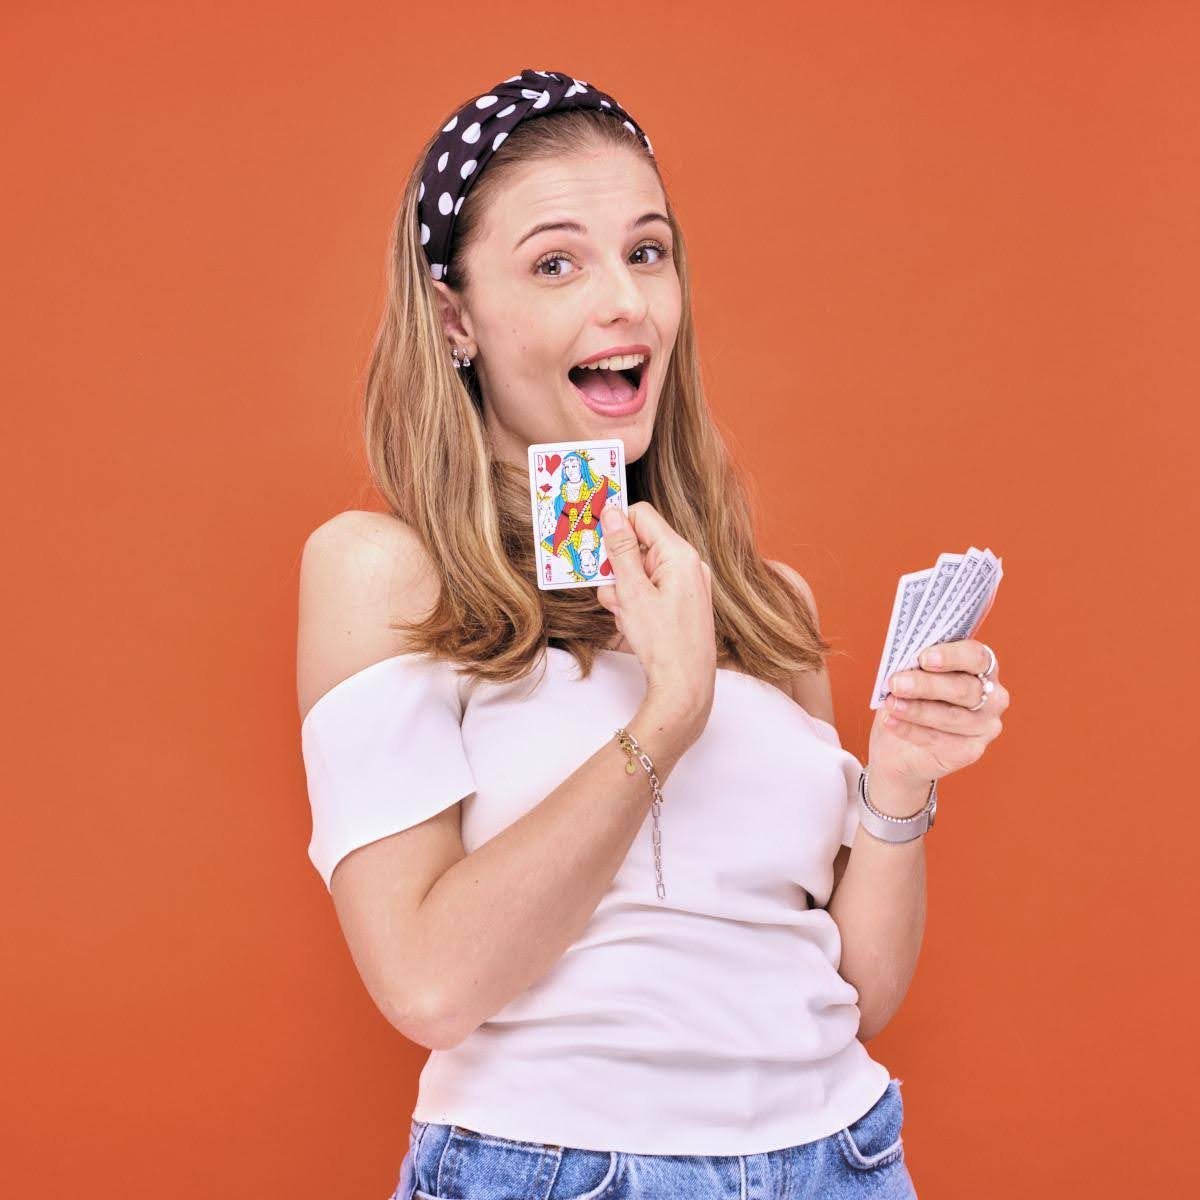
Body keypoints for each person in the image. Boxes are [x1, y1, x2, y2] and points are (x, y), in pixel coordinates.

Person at [296, 68, 1009, 1200]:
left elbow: (856, 993)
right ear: (454, 317)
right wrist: (666, 716)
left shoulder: (766, 599)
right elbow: (429, 984)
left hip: (844, 1159)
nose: (626, 300)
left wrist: (902, 785)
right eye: (556, 262)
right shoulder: (384, 573)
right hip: (555, 1170)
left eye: (647, 251)